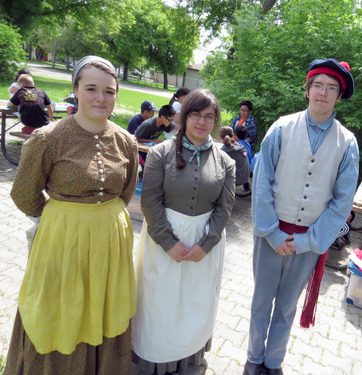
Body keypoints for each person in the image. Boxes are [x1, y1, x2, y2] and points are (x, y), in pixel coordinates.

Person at [4, 55, 138, 375]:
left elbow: (126, 191)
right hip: (63, 245)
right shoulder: (48, 139)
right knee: (59, 312)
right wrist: (61, 220)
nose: (101, 98)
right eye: (91, 88)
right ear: (76, 89)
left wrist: (103, 221)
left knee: (106, 310)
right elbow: (23, 194)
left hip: (110, 247)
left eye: (109, 91)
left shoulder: (126, 141)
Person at [244, 58, 359, 375]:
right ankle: (254, 358)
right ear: (307, 90)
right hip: (271, 234)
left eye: (331, 87)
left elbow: (342, 199)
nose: (323, 92)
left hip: (308, 240)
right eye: (318, 85)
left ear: (338, 96)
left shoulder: (347, 142)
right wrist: (271, 231)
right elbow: (262, 178)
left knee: (286, 305)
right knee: (261, 301)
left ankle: (273, 361)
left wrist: (311, 240)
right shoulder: (282, 127)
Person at [131, 89, 235, 374]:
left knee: (195, 304)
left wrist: (206, 244)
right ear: (184, 116)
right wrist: (168, 242)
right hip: (162, 241)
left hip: (205, 247)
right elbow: (150, 201)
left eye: (209, 116)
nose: (202, 122)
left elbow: (224, 209)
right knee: (159, 303)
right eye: (196, 115)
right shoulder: (160, 153)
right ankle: (154, 363)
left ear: (215, 120)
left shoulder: (226, 162)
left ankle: (188, 360)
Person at [220, 125, 251, 195]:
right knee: (240, 164)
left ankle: (226, 191)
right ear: (233, 135)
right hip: (246, 174)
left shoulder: (224, 149)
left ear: (221, 137)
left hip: (237, 179)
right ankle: (247, 188)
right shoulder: (238, 144)